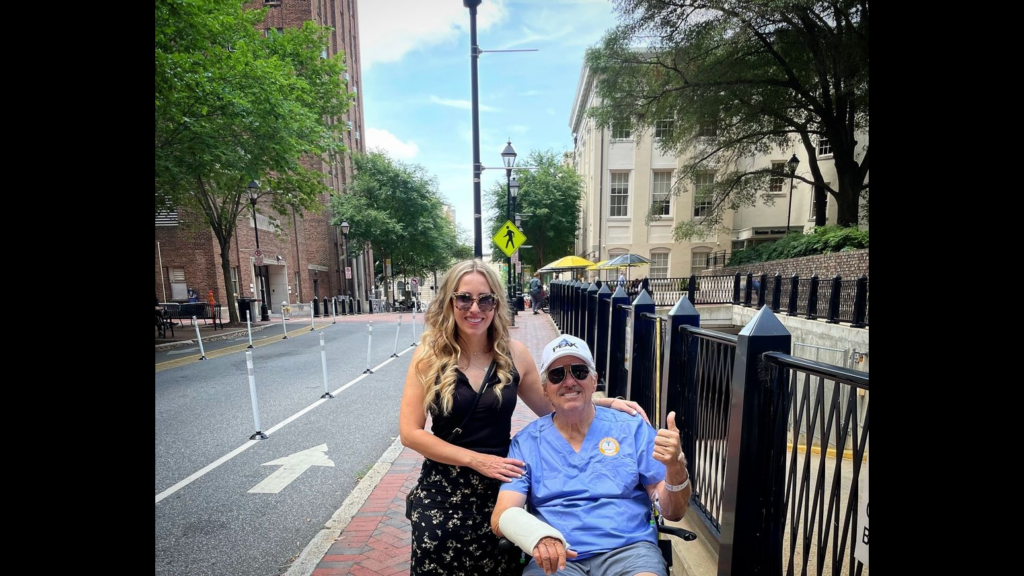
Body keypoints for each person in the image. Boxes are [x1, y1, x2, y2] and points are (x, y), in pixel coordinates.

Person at [399, 259, 648, 576]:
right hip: (444, 493)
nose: (475, 308)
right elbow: (410, 433)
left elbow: (554, 403)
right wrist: (478, 460)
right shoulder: (429, 355)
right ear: (449, 301)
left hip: (502, 492)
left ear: (496, 304)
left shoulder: (513, 354)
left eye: (485, 299)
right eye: (464, 298)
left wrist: (606, 402)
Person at [491, 334, 692, 576]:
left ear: (594, 380)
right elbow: (503, 515)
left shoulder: (631, 428)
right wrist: (539, 537)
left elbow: (673, 512)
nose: (569, 381)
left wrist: (675, 468)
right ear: (544, 389)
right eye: (557, 375)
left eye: (579, 371)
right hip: (558, 558)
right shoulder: (526, 442)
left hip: (629, 552)